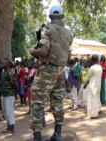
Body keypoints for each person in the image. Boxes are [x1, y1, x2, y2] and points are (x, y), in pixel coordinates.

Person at [29, 5, 73, 141]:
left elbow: (43, 51)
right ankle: (57, 135)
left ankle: (37, 138)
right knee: (57, 102)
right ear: (63, 16)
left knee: (37, 103)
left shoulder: (47, 29)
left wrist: (31, 51)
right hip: (60, 70)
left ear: (49, 16)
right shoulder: (68, 33)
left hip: (47, 70)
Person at [0, 59, 17, 136]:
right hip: (4, 95)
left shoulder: (9, 73)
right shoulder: (3, 72)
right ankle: (8, 127)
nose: (1, 64)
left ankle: (12, 130)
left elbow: (14, 84)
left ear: (7, 64)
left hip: (9, 95)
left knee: (10, 112)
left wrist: (15, 95)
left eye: (3, 63)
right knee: (5, 112)